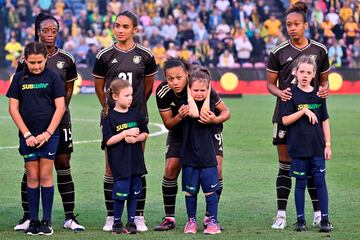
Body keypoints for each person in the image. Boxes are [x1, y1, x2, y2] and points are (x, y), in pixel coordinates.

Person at [15, 13, 85, 231]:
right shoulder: (24, 61)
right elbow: (19, 93)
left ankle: (70, 216)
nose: (50, 34)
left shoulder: (67, 59)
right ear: (37, 31)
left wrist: (57, 112)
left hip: (59, 122)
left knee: (63, 164)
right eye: (45, 30)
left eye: (54, 30)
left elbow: (68, 91)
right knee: (32, 170)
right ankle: (29, 216)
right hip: (33, 126)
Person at [266, 1, 330, 229]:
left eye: (296, 24)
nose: (292, 28)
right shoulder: (278, 52)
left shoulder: (320, 50)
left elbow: (324, 81)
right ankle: (281, 214)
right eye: (288, 25)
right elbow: (270, 85)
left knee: (313, 164)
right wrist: (280, 92)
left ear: (305, 24)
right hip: (285, 116)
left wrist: (325, 88)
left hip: (311, 118)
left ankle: (318, 213)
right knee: (285, 164)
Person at [92, 10, 157, 232]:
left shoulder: (146, 55)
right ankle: (112, 216)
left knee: (137, 166)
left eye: (125, 26)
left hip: (137, 116)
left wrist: (135, 108)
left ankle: (138, 216)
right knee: (111, 168)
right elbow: (99, 86)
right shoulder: (104, 55)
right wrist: (109, 109)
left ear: (135, 29)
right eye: (117, 26)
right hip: (113, 118)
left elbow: (148, 86)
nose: (120, 30)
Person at [155, 58, 230, 231]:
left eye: (179, 77)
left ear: (186, 75)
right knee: (171, 168)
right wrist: (180, 116)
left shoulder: (199, 84)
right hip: (180, 131)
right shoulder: (163, 92)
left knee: (216, 170)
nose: (175, 82)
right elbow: (168, 124)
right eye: (170, 78)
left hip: (208, 131)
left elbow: (226, 112)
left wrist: (214, 119)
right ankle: (169, 217)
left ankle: (210, 217)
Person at [7, 41, 66, 235]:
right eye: (32, 62)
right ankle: (33, 221)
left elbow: (60, 108)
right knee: (32, 177)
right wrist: (27, 134)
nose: (36, 66)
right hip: (28, 136)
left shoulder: (54, 77)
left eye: (40, 62)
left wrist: (47, 133)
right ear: (25, 60)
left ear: (46, 59)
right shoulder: (18, 78)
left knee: (45, 176)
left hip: (49, 135)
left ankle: (46, 222)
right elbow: (13, 109)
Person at [281, 55, 333, 232]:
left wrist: (328, 144)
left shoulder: (319, 94)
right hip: (298, 148)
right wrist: (303, 111)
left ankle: (325, 220)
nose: (304, 75)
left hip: (317, 147)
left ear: (313, 74)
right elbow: (286, 120)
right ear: (296, 72)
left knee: (320, 183)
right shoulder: (290, 93)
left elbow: (325, 120)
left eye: (308, 72)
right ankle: (300, 220)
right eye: (301, 71)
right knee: (300, 183)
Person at [181, 67, 230, 235]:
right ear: (189, 88)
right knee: (191, 191)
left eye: (203, 90)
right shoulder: (186, 101)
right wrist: (191, 92)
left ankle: (212, 221)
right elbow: (195, 113)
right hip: (189, 155)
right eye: (195, 90)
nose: (200, 93)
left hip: (208, 154)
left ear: (208, 89)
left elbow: (206, 113)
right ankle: (191, 221)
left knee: (210, 190)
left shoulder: (209, 102)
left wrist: (208, 93)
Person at [102, 79, 149, 234]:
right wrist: (124, 134)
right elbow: (108, 141)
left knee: (135, 191)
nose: (130, 98)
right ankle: (116, 222)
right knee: (121, 191)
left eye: (131, 95)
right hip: (120, 162)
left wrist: (136, 138)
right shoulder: (109, 117)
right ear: (115, 97)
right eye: (126, 95)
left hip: (135, 161)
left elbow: (145, 133)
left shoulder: (136, 113)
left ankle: (131, 222)